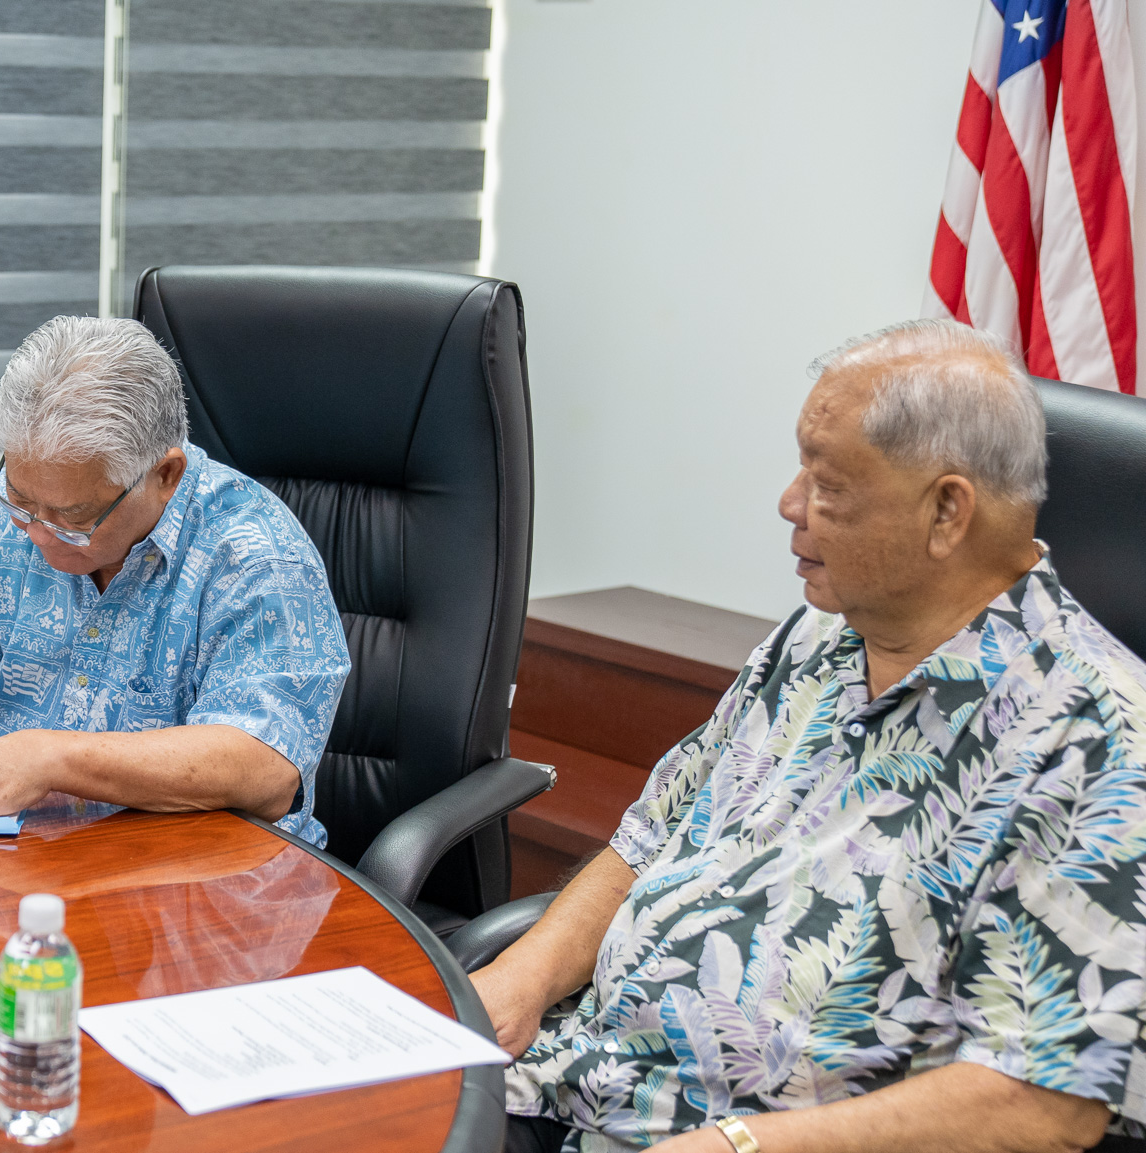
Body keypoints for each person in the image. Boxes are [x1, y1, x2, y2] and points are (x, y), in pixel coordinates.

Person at [477, 319, 1146, 1153]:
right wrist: (520, 977)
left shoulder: (1094, 737)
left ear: (947, 512)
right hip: (571, 1082)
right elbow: (648, 837)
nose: (790, 504)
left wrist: (738, 1146)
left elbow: (1043, 1101)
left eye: (827, 486)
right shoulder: (817, 635)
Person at [0, 315, 350, 845]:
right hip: (14, 848)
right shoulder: (8, 504)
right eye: (22, 501)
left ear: (166, 476)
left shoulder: (257, 556)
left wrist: (48, 759)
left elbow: (264, 768)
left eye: (73, 517)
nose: (38, 534)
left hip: (197, 873)